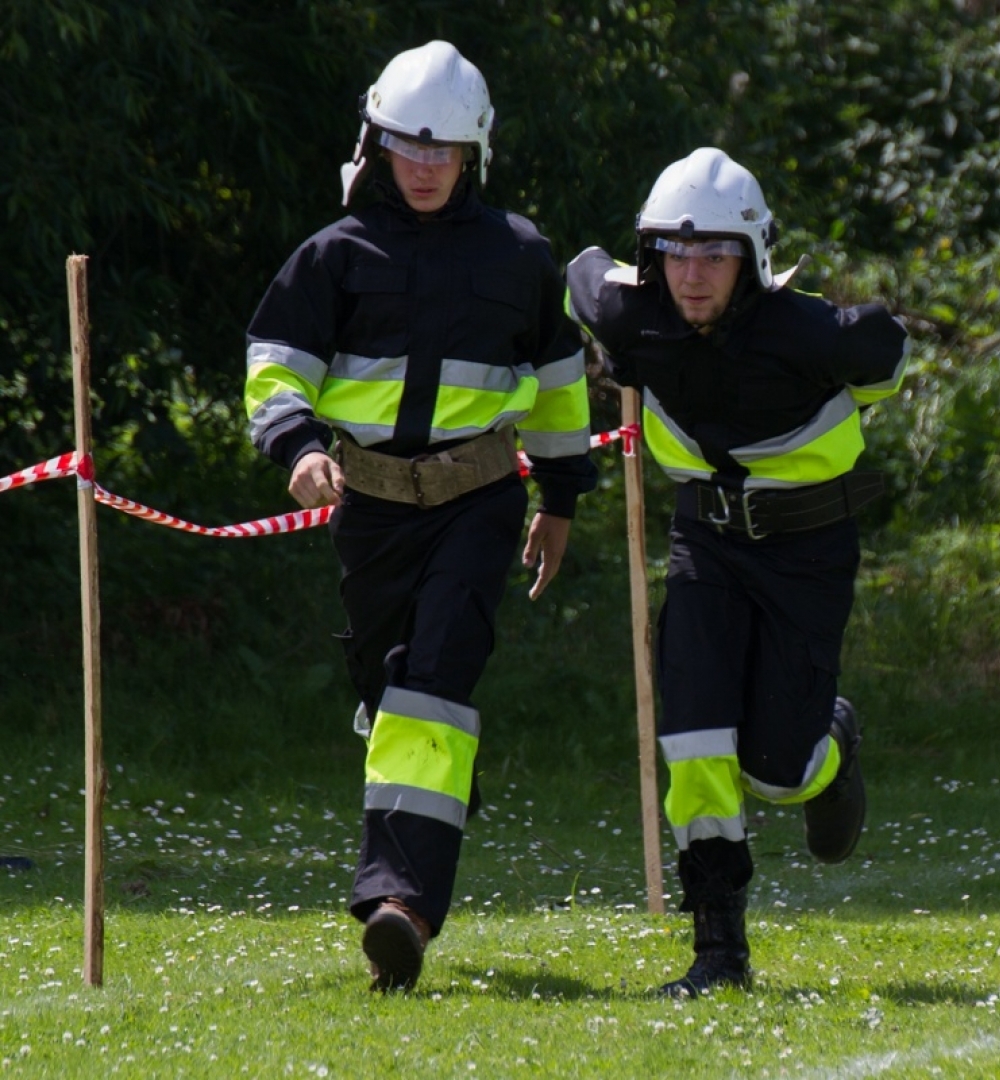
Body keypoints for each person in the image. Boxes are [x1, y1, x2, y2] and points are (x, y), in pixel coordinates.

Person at [243, 41, 595, 992]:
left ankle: (400, 907)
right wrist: (300, 445)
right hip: (371, 513)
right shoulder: (332, 255)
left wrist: (559, 502)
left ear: (474, 152)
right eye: (410, 146)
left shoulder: (521, 255)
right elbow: (275, 364)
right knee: (386, 693)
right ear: (377, 143)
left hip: (479, 503)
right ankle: (428, 812)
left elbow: (561, 388)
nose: (429, 165)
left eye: (446, 149)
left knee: (432, 680)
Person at [567, 147, 909, 996]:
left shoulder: (810, 334)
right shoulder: (631, 313)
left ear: (752, 257)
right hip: (705, 546)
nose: (691, 275)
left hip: (807, 551)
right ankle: (718, 953)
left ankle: (832, 743)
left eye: (714, 254)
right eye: (675, 254)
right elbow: (580, 278)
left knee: (777, 768)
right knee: (692, 738)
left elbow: (886, 349)